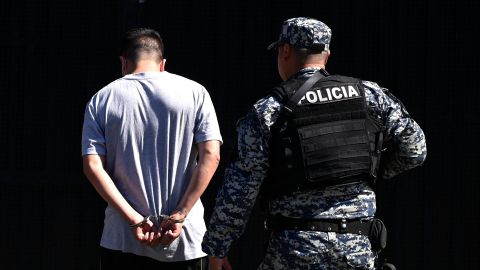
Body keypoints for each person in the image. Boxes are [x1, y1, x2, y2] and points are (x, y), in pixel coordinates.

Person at [202, 17, 427, 269]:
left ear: (285, 50)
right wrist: (369, 171)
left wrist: (218, 247)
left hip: (294, 249)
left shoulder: (270, 110)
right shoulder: (370, 96)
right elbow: (415, 150)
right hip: (356, 248)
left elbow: (241, 188)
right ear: (327, 54)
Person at [81, 28, 222, 269]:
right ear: (163, 63)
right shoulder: (195, 92)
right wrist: (180, 214)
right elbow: (212, 155)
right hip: (185, 241)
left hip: (121, 240)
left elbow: (92, 166)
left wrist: (134, 220)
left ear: (123, 62)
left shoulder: (102, 99)